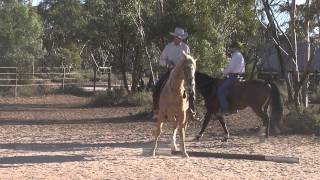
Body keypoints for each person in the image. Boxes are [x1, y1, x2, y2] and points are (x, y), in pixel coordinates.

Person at [152, 27, 198, 121]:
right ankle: (156, 110)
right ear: (174, 37)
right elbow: (161, 60)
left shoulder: (185, 47)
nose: (178, 38)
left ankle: (192, 111)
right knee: (157, 87)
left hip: (183, 73)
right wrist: (167, 63)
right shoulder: (168, 47)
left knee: (191, 88)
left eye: (180, 37)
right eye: (177, 37)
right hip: (170, 71)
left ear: (182, 38)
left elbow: (188, 60)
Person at [217, 41, 245, 114]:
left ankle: (226, 109)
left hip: (233, 77)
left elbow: (230, 68)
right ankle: (234, 107)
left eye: (231, 47)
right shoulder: (240, 55)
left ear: (235, 47)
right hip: (238, 76)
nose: (230, 49)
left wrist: (222, 71)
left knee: (220, 90)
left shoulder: (235, 55)